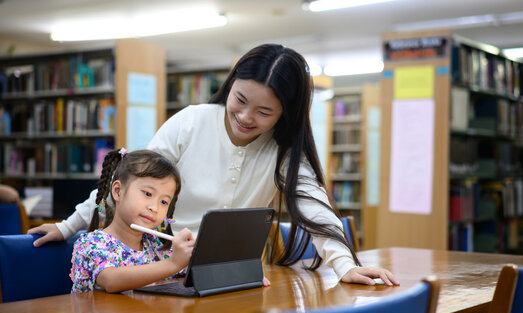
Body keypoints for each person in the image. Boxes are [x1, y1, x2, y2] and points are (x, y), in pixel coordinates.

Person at [31, 44, 399, 286]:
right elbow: (128, 179)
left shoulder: (283, 150)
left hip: (229, 277)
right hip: (160, 270)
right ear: (231, 84)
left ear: (285, 115)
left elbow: (315, 209)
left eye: (264, 111)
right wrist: (68, 226)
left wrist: (345, 265)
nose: (245, 117)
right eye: (239, 99)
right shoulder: (191, 121)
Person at [70, 149, 195, 293]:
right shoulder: (91, 243)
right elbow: (112, 281)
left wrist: (194, 256)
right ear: (118, 191)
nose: (154, 207)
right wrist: (173, 263)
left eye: (164, 202)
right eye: (148, 194)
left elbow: (182, 273)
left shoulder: (154, 244)